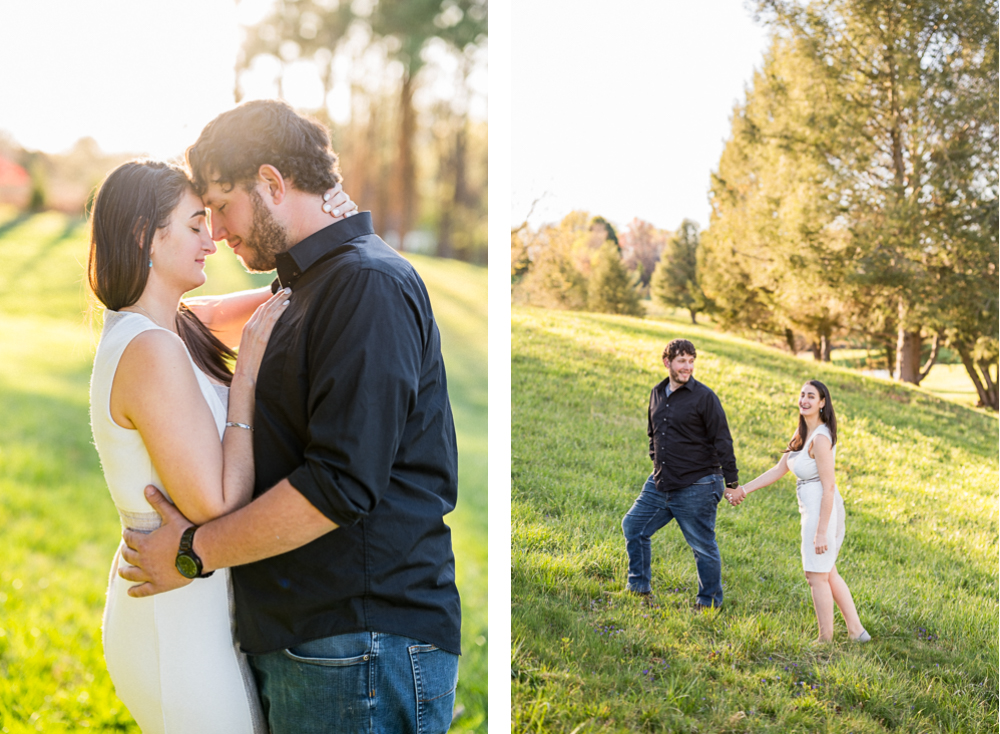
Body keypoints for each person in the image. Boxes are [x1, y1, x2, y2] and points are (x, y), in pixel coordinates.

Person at [118, 100, 462, 734]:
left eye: (223, 205)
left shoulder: (365, 286)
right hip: (323, 640)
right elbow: (209, 314)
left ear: (273, 183)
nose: (217, 231)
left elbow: (340, 485)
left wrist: (192, 553)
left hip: (358, 642)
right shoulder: (310, 283)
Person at [88, 159, 354, 733]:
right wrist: (249, 373)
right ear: (144, 237)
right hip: (174, 622)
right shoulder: (149, 351)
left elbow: (289, 293)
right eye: (193, 226)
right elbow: (218, 505)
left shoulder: (180, 325)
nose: (212, 242)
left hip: (202, 603)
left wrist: (339, 226)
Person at [726, 380, 870, 643]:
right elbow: (780, 469)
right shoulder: (804, 431)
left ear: (822, 402)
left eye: (811, 396)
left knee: (816, 576)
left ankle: (825, 640)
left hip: (820, 511)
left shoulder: (821, 439)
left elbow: (829, 488)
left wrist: (821, 533)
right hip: (812, 508)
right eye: (802, 394)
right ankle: (857, 632)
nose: (804, 400)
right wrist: (742, 490)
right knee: (827, 572)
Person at [621, 338, 740, 609]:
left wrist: (731, 483)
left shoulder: (705, 397)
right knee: (634, 527)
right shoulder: (658, 392)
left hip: (699, 483)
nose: (687, 367)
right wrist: (657, 463)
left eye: (691, 361)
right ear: (667, 362)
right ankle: (638, 588)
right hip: (662, 480)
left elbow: (723, 440)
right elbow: (654, 434)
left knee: (702, 546)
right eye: (681, 361)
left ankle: (709, 602)